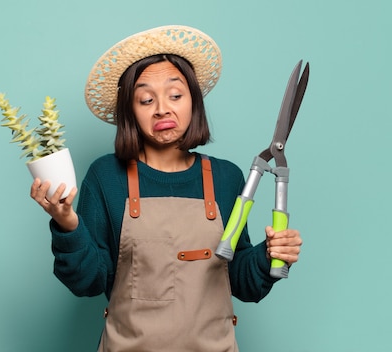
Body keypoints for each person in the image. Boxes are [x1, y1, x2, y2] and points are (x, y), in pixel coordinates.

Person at [30, 25, 303, 351]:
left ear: (193, 102)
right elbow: (87, 282)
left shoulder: (226, 178)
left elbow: (242, 282)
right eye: (146, 99)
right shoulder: (106, 177)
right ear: (130, 111)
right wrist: (67, 224)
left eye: (175, 95)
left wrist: (271, 255)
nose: (162, 108)